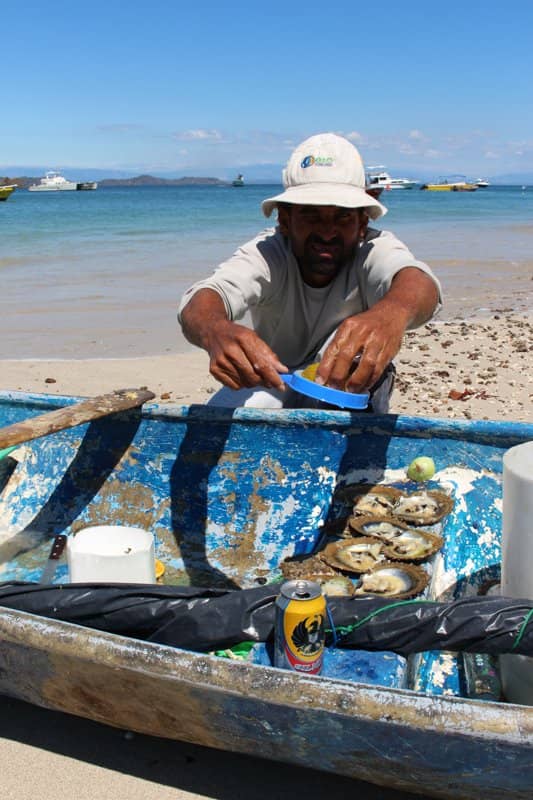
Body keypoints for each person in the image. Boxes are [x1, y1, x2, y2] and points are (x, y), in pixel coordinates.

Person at [178, 132, 441, 412]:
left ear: (362, 223)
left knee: (348, 398)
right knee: (222, 417)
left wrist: (392, 313)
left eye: (342, 216)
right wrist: (215, 330)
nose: (327, 232)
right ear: (285, 221)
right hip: (273, 377)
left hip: (344, 382)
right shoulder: (268, 254)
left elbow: (418, 282)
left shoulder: (373, 249)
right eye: (311, 215)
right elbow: (204, 299)